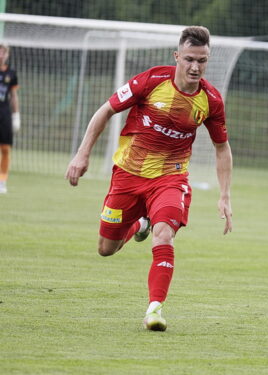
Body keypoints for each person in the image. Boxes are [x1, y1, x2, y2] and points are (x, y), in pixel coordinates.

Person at [65, 26, 233, 331]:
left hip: (171, 178)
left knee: (165, 234)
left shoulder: (211, 100)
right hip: (127, 175)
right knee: (106, 249)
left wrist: (225, 195)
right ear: (177, 56)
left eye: (202, 61)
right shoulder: (153, 79)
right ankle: (140, 224)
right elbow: (106, 110)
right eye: (190, 59)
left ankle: (154, 309)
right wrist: (82, 153)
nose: (196, 67)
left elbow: (222, 148)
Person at [0, 43, 21, 194]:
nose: (1, 55)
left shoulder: (11, 74)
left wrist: (16, 116)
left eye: (4, 52)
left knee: (5, 148)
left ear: (7, 55)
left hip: (4, 112)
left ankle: (2, 181)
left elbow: (14, 96)